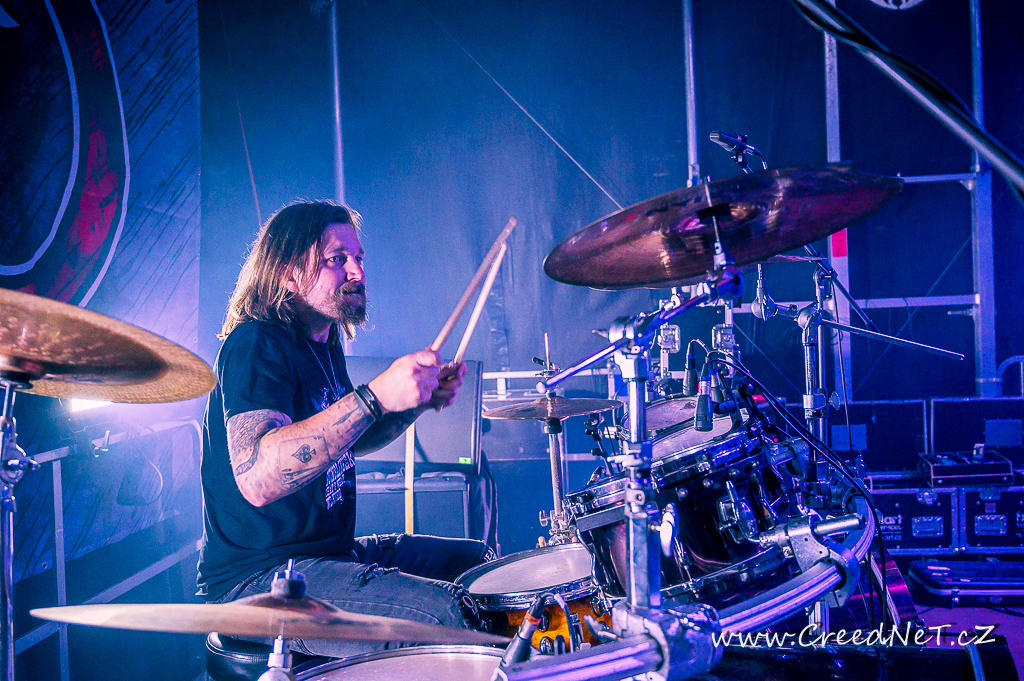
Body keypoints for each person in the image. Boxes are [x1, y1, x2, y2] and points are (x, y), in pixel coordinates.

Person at [198, 201, 495, 658]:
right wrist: (374, 396)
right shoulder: (256, 343)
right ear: (288, 272)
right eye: (336, 259)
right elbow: (257, 478)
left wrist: (411, 404)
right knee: (447, 616)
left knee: (479, 567)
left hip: (330, 554)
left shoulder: (322, 340)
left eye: (358, 258)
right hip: (257, 580)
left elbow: (346, 440)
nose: (357, 271)